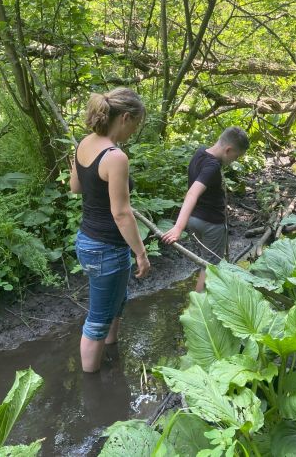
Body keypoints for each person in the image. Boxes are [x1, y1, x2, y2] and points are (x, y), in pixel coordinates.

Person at [70, 87, 150, 373]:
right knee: (98, 318)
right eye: (136, 125)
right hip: (107, 248)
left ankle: (111, 352)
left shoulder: (84, 143)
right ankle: (91, 387)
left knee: (117, 300)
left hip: (86, 240)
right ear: (125, 118)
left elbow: (75, 187)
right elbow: (121, 213)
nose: (134, 131)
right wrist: (141, 253)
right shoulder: (115, 157)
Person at [161, 126, 249, 292]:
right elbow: (193, 193)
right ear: (228, 149)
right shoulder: (212, 166)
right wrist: (178, 228)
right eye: (235, 156)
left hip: (194, 220)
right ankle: (199, 308)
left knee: (204, 260)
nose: (234, 160)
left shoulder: (200, 152)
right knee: (210, 268)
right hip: (210, 224)